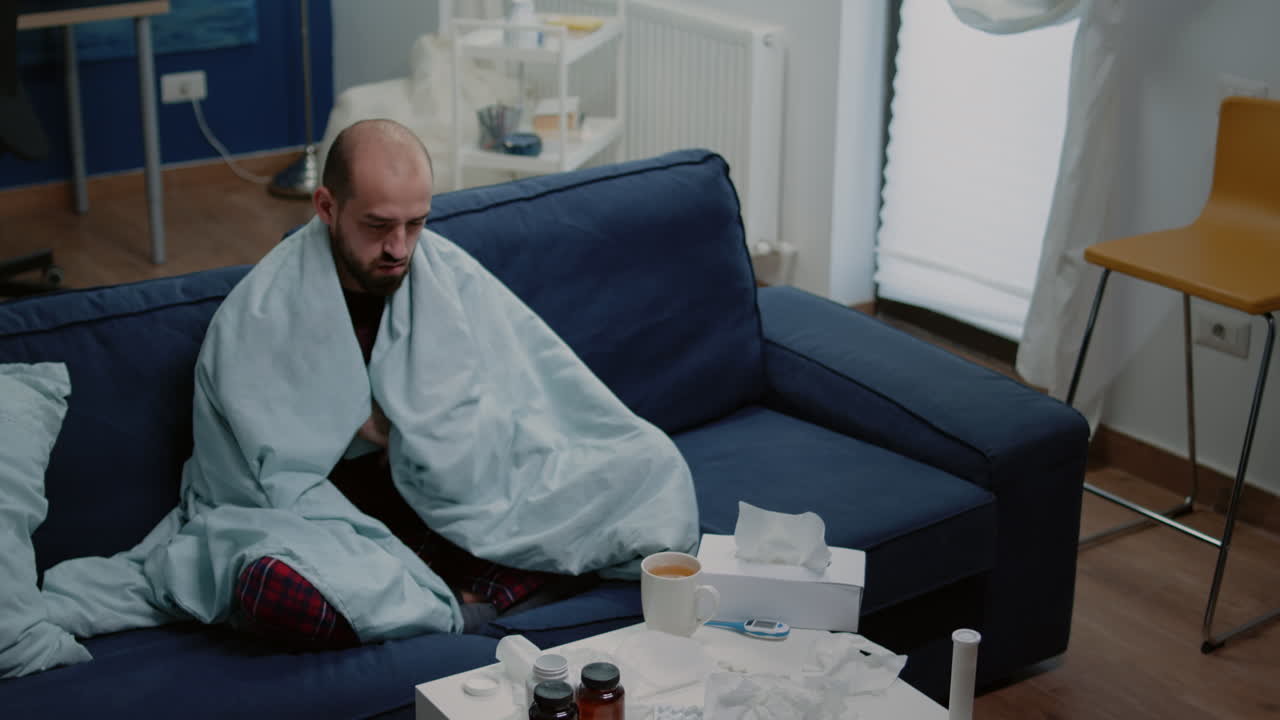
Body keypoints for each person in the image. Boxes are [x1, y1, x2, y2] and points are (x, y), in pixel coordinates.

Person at [231, 119, 568, 645]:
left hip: (444, 506)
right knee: (268, 584)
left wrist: (432, 429)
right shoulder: (263, 308)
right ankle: (466, 599)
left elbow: (514, 401)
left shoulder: (446, 275)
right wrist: (341, 420)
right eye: (377, 226)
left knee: (615, 489)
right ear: (326, 207)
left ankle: (424, 600)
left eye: (416, 224)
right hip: (341, 520)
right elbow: (260, 468)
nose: (399, 247)